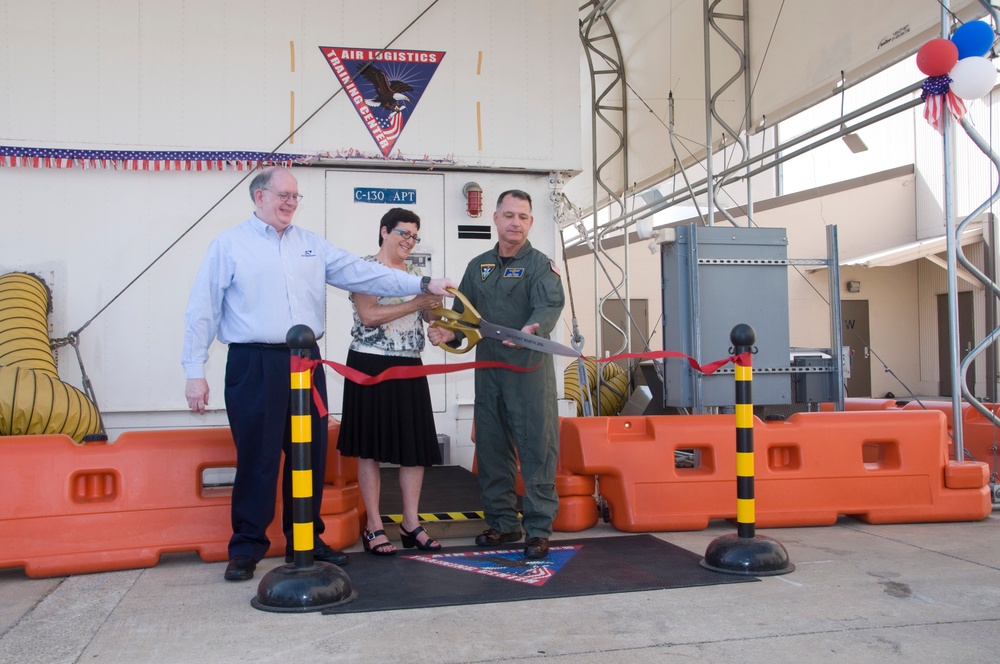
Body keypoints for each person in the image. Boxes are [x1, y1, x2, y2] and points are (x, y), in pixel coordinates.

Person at [182, 167, 455, 581]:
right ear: (259, 197)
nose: (291, 202)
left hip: (306, 363)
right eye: (283, 195)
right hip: (253, 362)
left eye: (296, 196)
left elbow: (364, 273)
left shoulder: (311, 245)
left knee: (306, 456)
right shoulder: (229, 245)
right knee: (257, 458)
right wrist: (194, 370)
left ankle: (306, 540)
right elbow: (203, 308)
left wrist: (422, 281)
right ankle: (246, 548)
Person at [427, 189, 565, 560]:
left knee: (537, 449)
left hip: (528, 372)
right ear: (496, 219)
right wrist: (448, 333)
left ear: (530, 222)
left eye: (522, 216)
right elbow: (465, 318)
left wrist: (533, 330)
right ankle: (504, 524)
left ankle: (538, 530)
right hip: (488, 372)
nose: (515, 222)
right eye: (508, 215)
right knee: (491, 449)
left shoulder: (540, 265)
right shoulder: (478, 267)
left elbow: (548, 305)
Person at [337, 208, 443, 556]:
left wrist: (442, 328)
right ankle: (374, 526)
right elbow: (368, 316)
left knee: (414, 449)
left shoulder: (417, 274)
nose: (408, 241)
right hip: (369, 362)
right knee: (369, 449)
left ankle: (411, 524)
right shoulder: (363, 268)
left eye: (414, 236)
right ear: (384, 231)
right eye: (403, 233)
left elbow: (433, 319)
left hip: (410, 363)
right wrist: (415, 301)